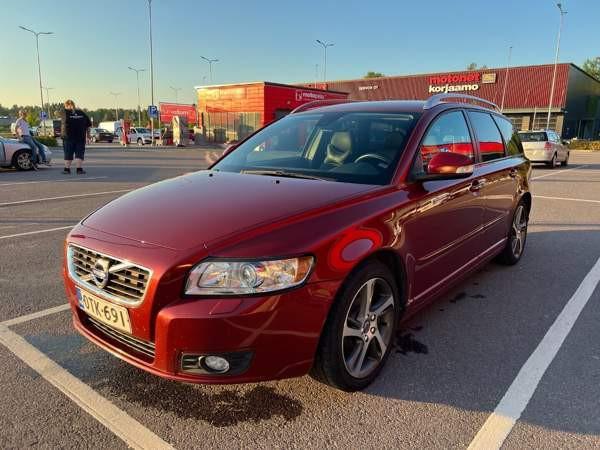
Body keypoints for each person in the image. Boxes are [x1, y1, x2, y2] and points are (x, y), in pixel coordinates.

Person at [60, 99, 91, 174]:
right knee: (79, 153)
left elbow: (57, 114)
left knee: (68, 153)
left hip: (68, 137)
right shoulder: (81, 112)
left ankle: (67, 169)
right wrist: (88, 135)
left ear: (66, 105)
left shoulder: (65, 112)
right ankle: (79, 169)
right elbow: (88, 125)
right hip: (80, 137)